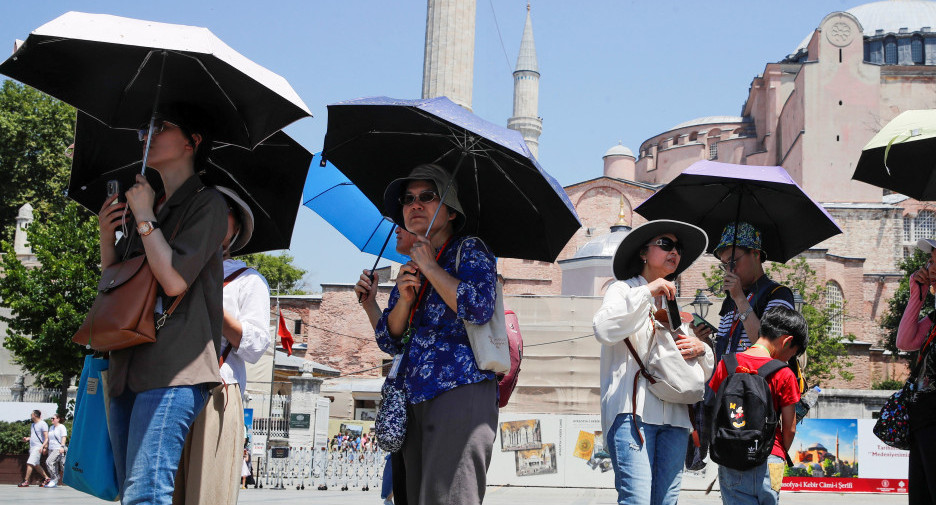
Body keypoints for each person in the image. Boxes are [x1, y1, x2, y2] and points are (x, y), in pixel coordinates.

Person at [98, 103, 228, 505]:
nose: (146, 135)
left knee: (146, 493)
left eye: (160, 126)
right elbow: (114, 284)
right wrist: (107, 237)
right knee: (132, 494)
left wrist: (142, 216)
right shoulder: (151, 205)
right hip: (128, 364)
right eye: (143, 128)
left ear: (193, 141)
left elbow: (173, 281)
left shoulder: (208, 204)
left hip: (176, 368)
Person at [374, 163, 498, 505]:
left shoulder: (469, 250)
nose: (415, 205)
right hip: (413, 395)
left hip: (459, 388)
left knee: (450, 497)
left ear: (452, 211)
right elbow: (389, 339)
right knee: (414, 497)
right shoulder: (409, 266)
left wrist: (431, 267)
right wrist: (404, 300)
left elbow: (478, 307)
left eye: (427, 196)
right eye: (408, 198)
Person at [593, 219, 714, 505]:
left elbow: (700, 372)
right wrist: (648, 291)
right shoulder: (622, 290)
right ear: (643, 253)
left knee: (666, 501)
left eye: (678, 247)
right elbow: (604, 329)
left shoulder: (675, 306)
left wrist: (702, 348)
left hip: (675, 416)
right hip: (631, 413)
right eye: (665, 244)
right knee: (636, 500)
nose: (674, 251)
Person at [173, 186, 271, 505]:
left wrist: (210, 295)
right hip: (166, 387)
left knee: (207, 494)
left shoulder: (247, 279)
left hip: (216, 392)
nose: (213, 213)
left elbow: (256, 347)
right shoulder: (169, 267)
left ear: (237, 228)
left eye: (225, 209)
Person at [708, 306, 807, 505]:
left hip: (732, 456)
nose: (788, 359)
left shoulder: (726, 365)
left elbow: (715, 410)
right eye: (791, 354)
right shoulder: (784, 373)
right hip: (773, 459)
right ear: (786, 341)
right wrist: (777, 453)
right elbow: (790, 427)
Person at [692, 222, 794, 361]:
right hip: (730, 381)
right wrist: (705, 340)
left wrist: (740, 299)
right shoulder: (731, 298)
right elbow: (723, 353)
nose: (729, 270)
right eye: (724, 265)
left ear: (755, 254)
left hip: (756, 381)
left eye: (733, 261)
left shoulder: (778, 294)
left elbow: (771, 347)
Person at [896, 237, 936, 504]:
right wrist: (916, 294)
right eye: (929, 260)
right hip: (924, 420)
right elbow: (905, 341)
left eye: (934, 260)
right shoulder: (935, 317)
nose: (929, 266)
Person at [19, 409, 49, 487]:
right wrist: (27, 439)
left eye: (31, 414)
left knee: (30, 463)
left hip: (38, 447)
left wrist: (43, 447)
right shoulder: (33, 425)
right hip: (32, 447)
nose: (31, 415)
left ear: (35, 415)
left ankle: (26, 481)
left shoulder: (43, 424)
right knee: (36, 465)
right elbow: (34, 436)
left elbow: (46, 437)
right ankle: (47, 478)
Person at [44, 413, 67, 488]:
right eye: (51, 418)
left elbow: (64, 437)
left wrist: (62, 447)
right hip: (51, 448)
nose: (52, 420)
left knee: (49, 462)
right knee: (54, 465)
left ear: (58, 419)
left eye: (53, 418)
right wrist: (45, 447)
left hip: (58, 448)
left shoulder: (61, 427)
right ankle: (54, 481)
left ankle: (55, 478)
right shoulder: (51, 427)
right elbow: (48, 438)